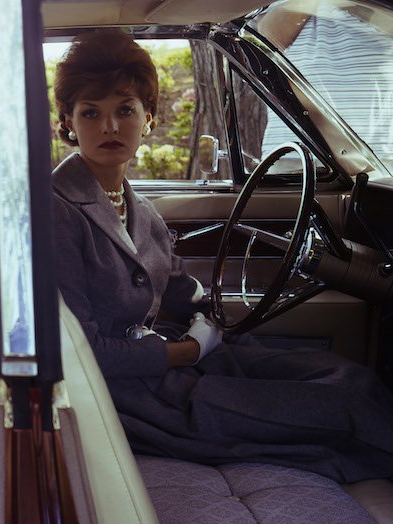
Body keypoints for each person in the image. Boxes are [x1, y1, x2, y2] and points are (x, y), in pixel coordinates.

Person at [52, 28, 393, 483]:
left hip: (183, 361)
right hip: (138, 397)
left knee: (352, 377)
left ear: (149, 118)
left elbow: (180, 292)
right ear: (69, 123)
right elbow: (83, 354)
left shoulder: (141, 209)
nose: (109, 127)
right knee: (345, 408)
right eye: (90, 113)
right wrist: (188, 351)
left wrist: (208, 321)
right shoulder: (55, 212)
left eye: (125, 109)